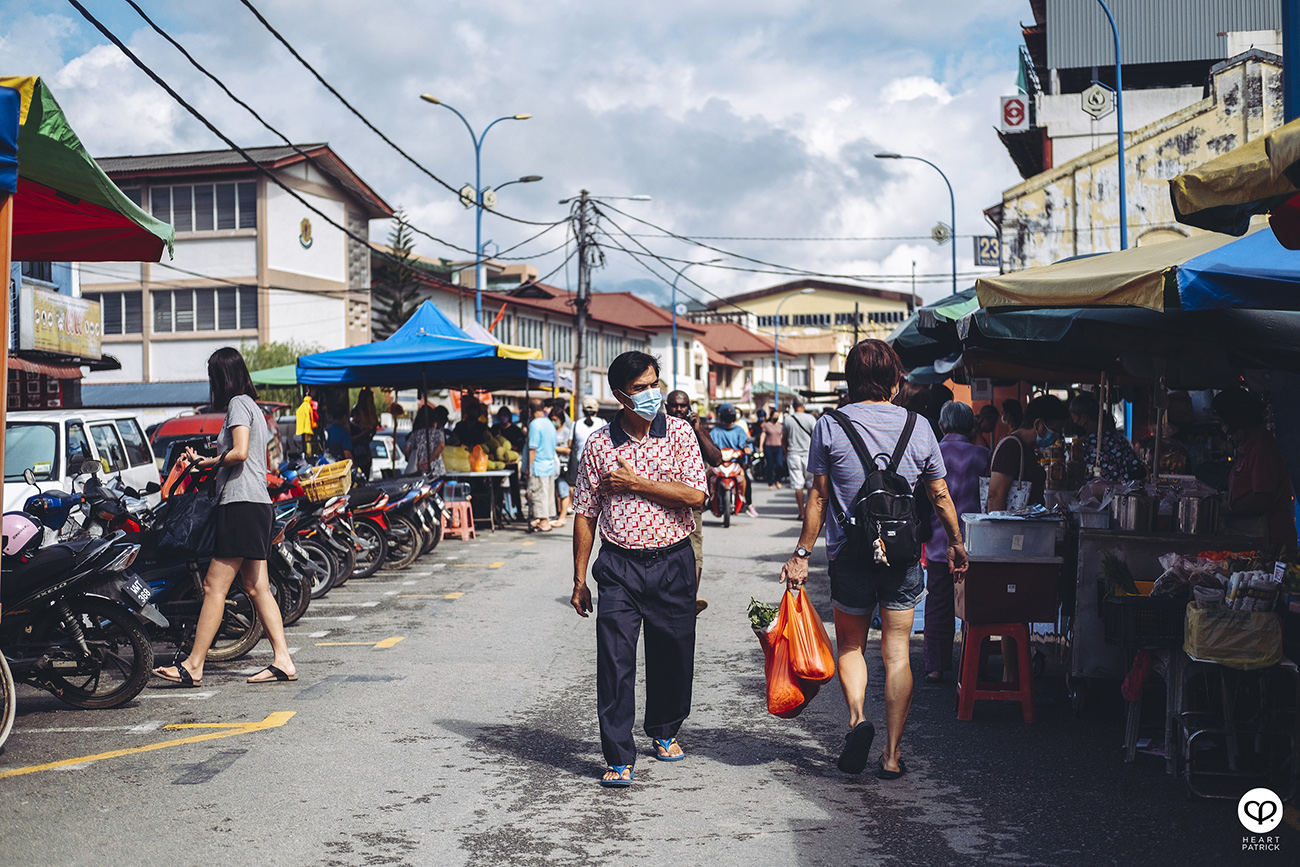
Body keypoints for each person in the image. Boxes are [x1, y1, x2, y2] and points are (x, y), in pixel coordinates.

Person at [781, 339, 967, 779]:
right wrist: (956, 542)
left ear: (850, 380)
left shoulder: (830, 425)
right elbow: (939, 494)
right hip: (903, 555)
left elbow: (818, 497)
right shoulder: (920, 425)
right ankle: (892, 755)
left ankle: (857, 719)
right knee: (897, 653)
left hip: (851, 555)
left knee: (851, 645)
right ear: (895, 380)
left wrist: (801, 554)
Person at [570, 351, 707, 787]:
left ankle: (665, 729)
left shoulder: (680, 433)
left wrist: (636, 483)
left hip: (673, 561)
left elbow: (696, 496)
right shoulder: (598, 445)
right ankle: (618, 755)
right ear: (620, 396)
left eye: (654, 385)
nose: (651, 394)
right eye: (640, 388)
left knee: (673, 655)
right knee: (614, 661)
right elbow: (585, 513)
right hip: (619, 566)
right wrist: (579, 578)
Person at [153, 347, 296, 687]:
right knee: (257, 586)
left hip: (240, 504)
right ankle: (283, 660)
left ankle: (194, 664)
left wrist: (208, 462)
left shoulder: (237, 404)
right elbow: (240, 454)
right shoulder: (254, 407)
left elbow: (240, 452)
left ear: (221, 377)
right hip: (257, 504)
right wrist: (204, 461)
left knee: (213, 585)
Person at [923, 401, 989, 684]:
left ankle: (935, 667)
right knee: (975, 607)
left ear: (941, 426)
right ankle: (975, 665)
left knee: (938, 606)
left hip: (939, 544)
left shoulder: (931, 452)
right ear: (971, 426)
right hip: (974, 545)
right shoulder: (983, 455)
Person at [1211, 388, 1297, 552]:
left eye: (1222, 422)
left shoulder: (1261, 446)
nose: (1222, 429)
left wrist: (1230, 509)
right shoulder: (1248, 446)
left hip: (1272, 538)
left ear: (1234, 418)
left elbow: (1263, 497)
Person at [666, 389, 723, 614]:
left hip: (692, 502)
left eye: (683, 406)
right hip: (664, 500)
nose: (679, 410)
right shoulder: (657, 429)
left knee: (694, 549)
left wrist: (698, 430)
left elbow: (716, 459)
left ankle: (691, 600)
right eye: (674, 405)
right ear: (666, 407)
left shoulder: (698, 429)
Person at [986, 395, 1069, 511]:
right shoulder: (1010, 447)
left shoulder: (1028, 447)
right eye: (1055, 430)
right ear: (1038, 425)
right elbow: (995, 496)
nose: (1056, 436)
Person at [1068, 392, 1146, 482]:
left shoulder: (1084, 445)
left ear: (1084, 419)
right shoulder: (1120, 440)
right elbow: (1139, 471)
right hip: (1121, 490)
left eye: (1074, 419)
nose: (1074, 423)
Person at [710, 403, 758, 517]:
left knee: (746, 479)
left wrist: (747, 448)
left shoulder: (739, 430)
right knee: (707, 475)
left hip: (735, 462)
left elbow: (745, 443)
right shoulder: (716, 431)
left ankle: (748, 504)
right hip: (719, 462)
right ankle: (706, 501)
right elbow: (709, 443)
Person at [524, 398, 558, 532]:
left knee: (539, 495)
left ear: (530, 410)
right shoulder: (549, 423)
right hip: (549, 465)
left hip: (538, 466)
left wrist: (528, 467)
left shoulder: (534, 424)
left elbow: (532, 448)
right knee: (547, 494)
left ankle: (544, 523)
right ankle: (545, 519)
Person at [783, 395, 816, 520]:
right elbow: (817, 436)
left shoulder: (788, 419)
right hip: (809, 455)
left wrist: (786, 452)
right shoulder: (810, 418)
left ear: (793, 406)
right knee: (811, 484)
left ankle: (801, 513)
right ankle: (809, 512)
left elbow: (783, 439)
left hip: (793, 454)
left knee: (798, 485)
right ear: (804, 405)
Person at [405, 404, 446, 476]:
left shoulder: (415, 434)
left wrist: (412, 460)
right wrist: (430, 460)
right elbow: (441, 445)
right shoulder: (438, 433)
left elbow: (406, 449)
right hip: (436, 470)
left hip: (420, 469)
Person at [349, 388, 379, 479]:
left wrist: (372, 431)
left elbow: (368, 440)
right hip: (356, 459)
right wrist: (363, 433)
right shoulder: (350, 426)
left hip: (365, 459)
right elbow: (352, 439)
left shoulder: (363, 426)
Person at [552, 404, 574, 528]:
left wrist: (555, 448)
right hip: (552, 465)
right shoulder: (551, 430)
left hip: (563, 466)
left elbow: (569, 449)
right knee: (556, 491)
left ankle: (562, 516)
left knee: (563, 491)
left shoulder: (566, 432)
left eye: (555, 420)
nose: (553, 422)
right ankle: (558, 513)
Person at [572, 397, 608, 462]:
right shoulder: (602, 423)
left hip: (580, 462)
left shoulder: (576, 424)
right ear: (596, 410)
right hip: (598, 462)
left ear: (583, 410)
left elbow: (570, 444)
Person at [760, 411, 786, 489]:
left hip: (778, 447)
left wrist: (784, 446)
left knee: (779, 465)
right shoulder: (766, 425)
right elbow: (763, 435)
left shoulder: (780, 426)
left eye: (777, 415)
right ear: (771, 416)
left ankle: (777, 480)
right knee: (770, 465)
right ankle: (770, 482)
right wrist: (761, 446)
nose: (776, 417)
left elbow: (782, 436)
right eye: (775, 415)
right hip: (769, 447)